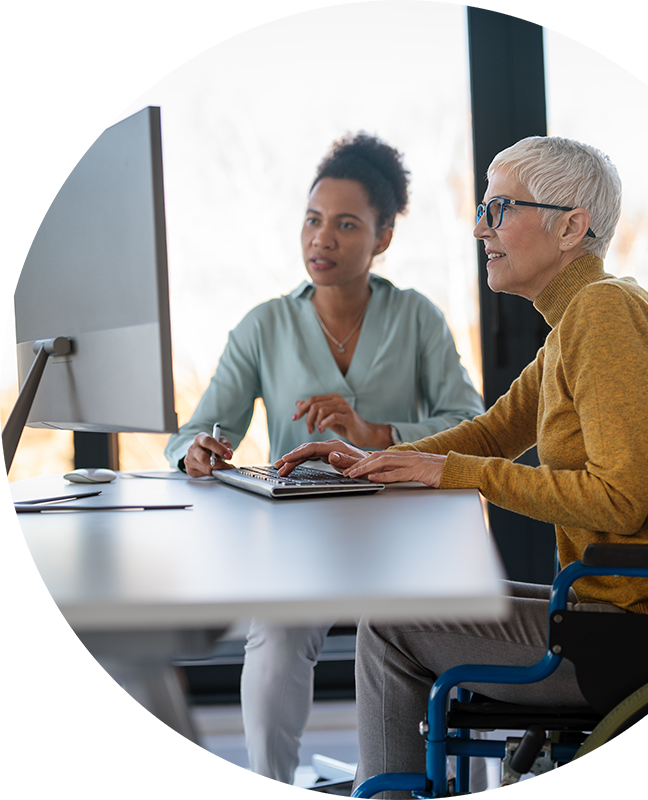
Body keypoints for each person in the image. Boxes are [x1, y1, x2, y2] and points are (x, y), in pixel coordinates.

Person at [275, 135, 648, 791]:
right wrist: (370, 462)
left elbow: (618, 499)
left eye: (500, 209)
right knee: (401, 611)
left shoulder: (605, 316)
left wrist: (446, 474)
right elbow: (493, 433)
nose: (479, 227)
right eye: (482, 208)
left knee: (388, 625)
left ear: (570, 227)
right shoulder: (577, 323)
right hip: (639, 614)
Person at [163, 133, 484, 800]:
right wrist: (194, 450)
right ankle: (271, 791)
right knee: (276, 641)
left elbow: (470, 425)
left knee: (405, 643)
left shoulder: (416, 317)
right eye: (313, 220)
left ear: (384, 236)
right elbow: (199, 425)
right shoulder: (264, 326)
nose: (323, 238)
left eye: (346, 224)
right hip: (297, 539)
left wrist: (377, 435)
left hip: (399, 537)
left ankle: (401, 786)